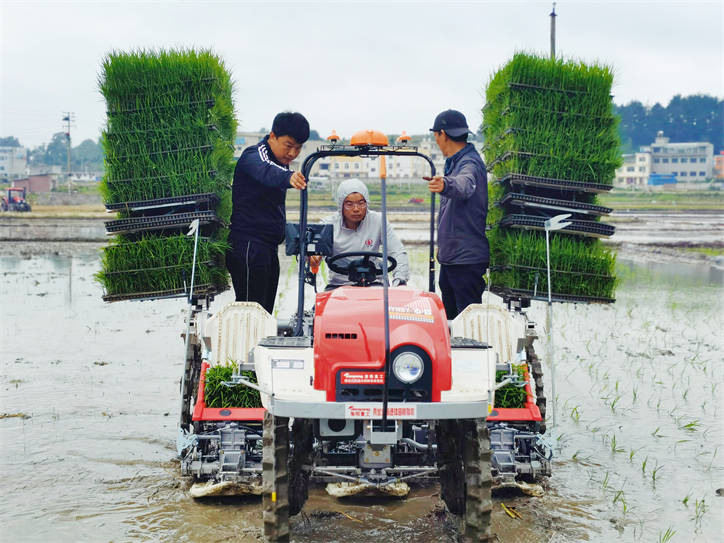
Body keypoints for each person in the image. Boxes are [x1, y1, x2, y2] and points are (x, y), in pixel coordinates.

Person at [226, 112, 310, 314]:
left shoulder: (281, 163)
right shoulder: (253, 155)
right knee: (249, 314)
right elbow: (265, 170)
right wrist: (288, 177)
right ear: (272, 136)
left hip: (268, 248)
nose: (292, 153)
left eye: (298, 148)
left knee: (264, 315)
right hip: (248, 247)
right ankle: (244, 347)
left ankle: (258, 346)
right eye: (288, 145)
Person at [425, 109, 489, 320]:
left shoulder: (469, 163)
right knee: (450, 324)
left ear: (442, 134)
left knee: (468, 327)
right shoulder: (455, 163)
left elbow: (464, 185)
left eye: (436, 137)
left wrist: (445, 183)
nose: (437, 142)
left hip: (466, 261)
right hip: (453, 259)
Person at [310, 178, 409, 289]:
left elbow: (397, 251)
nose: (356, 209)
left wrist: (400, 281)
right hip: (339, 285)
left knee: (383, 304)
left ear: (367, 203)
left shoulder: (378, 221)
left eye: (361, 203)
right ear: (340, 205)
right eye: (349, 204)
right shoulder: (328, 225)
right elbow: (310, 251)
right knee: (321, 306)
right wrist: (312, 257)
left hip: (374, 283)